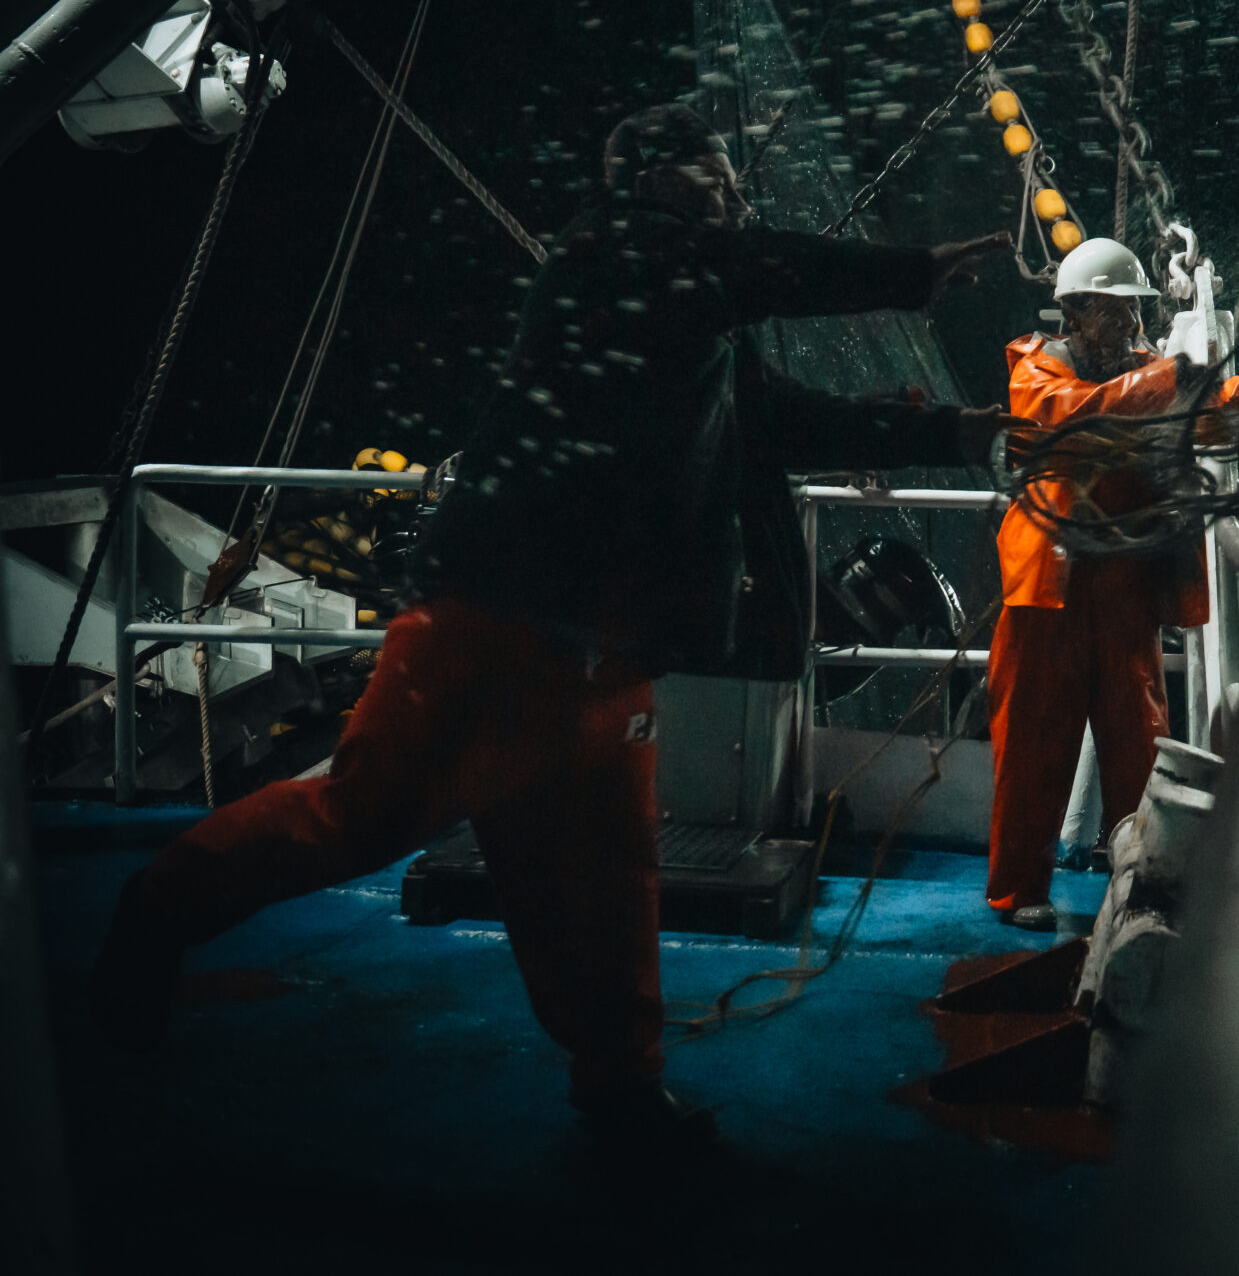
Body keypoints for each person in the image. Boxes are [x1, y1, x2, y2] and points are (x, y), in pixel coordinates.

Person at [91, 103, 1013, 1149]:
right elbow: (750, 266)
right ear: (648, 182)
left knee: (611, 875)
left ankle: (621, 1088)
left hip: (606, 657)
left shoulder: (699, 324)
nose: (730, 188)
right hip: (494, 624)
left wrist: (954, 431)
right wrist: (911, 271)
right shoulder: (609, 257)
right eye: (710, 170)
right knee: (360, 817)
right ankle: (155, 912)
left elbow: (792, 417)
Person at [984, 236, 1239, 929]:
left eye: (1135, 310)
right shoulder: (1036, 372)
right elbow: (1075, 418)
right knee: (1031, 744)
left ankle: (1143, 885)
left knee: (1140, 747)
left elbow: (1223, 406)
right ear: (1075, 311)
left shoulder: (1150, 376)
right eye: (1115, 311)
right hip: (1049, 595)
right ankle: (1018, 888)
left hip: (1125, 589)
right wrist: (1167, 385)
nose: (1131, 323)